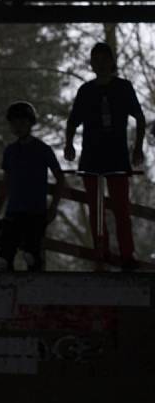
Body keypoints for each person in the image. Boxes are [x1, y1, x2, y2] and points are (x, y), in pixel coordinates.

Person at [64, 41, 145, 270]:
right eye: (95, 59)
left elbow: (139, 118)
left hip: (117, 156)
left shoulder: (123, 87)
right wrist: (69, 144)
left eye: (103, 58)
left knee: (121, 208)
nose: (99, 63)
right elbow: (72, 121)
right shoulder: (86, 91)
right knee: (95, 209)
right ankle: (103, 253)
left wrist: (137, 148)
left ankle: (127, 256)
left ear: (111, 61)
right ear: (91, 63)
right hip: (91, 156)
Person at [0, 101, 65, 271]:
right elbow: (6, 182)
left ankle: (34, 291)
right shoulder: (10, 151)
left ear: (30, 123)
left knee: (32, 255)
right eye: (14, 123)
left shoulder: (43, 149)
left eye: (22, 122)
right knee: (4, 257)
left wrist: (53, 207)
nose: (18, 127)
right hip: (13, 211)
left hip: (36, 211)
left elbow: (60, 179)